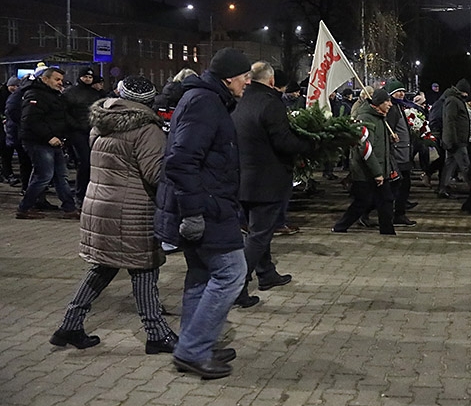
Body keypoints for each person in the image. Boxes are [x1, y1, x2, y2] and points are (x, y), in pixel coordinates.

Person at [49, 76, 177, 353]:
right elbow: (155, 174)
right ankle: (156, 333)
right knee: (143, 266)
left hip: (99, 204)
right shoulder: (147, 129)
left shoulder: (101, 121)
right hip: (131, 208)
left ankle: (70, 324)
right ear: (148, 102)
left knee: (103, 266)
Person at [154, 47, 252, 380]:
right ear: (228, 78)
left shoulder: (207, 100)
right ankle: (193, 349)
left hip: (209, 204)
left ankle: (196, 346)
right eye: (245, 77)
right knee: (231, 274)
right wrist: (194, 213)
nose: (247, 83)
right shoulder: (205, 103)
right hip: (208, 209)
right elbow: (181, 161)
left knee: (201, 276)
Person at [231, 61, 316, 307]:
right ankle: (237, 286)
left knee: (258, 231)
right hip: (266, 181)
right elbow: (284, 142)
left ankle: (267, 274)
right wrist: (310, 145)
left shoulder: (241, 101)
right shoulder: (271, 103)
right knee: (259, 235)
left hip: (244, 180)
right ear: (270, 81)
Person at [331, 88, 397, 235]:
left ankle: (387, 231)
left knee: (386, 200)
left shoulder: (380, 117)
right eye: (387, 101)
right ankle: (341, 226)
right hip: (366, 172)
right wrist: (377, 173)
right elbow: (365, 148)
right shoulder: (366, 118)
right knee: (363, 202)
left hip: (380, 169)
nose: (390, 104)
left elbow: (378, 143)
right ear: (378, 103)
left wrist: (391, 140)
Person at [16, 67, 79, 219]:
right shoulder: (35, 95)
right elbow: (31, 120)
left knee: (60, 176)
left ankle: (69, 208)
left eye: (61, 80)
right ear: (45, 79)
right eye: (57, 79)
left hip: (53, 141)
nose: (60, 83)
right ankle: (24, 208)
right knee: (44, 175)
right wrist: (49, 137)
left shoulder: (54, 95)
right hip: (38, 142)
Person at [63, 66, 104, 206]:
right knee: (84, 162)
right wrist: (75, 125)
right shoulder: (70, 93)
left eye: (90, 77)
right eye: (85, 76)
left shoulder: (95, 94)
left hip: (92, 131)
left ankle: (88, 191)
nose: (87, 79)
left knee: (92, 162)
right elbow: (65, 112)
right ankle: (80, 194)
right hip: (77, 132)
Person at [384, 81, 417, 226]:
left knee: (402, 186)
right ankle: (398, 214)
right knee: (400, 187)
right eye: (398, 92)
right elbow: (389, 131)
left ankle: (398, 213)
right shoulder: (392, 109)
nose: (402, 94)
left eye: (403, 91)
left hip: (403, 153)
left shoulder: (398, 106)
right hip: (398, 155)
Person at [437, 79, 471, 198]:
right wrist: (453, 140)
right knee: (465, 165)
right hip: (456, 141)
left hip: (454, 140)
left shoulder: (454, 100)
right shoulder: (453, 101)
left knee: (449, 165)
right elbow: (450, 122)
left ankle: (443, 188)